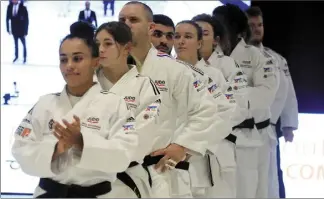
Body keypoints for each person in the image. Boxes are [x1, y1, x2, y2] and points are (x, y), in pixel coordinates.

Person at [11, 21, 139, 198]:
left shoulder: (115, 104)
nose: (69, 66)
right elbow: (20, 149)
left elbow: (124, 155)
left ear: (95, 62)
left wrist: (81, 142)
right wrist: (56, 148)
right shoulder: (45, 104)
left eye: (77, 58)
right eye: (64, 59)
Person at [119, 1, 228, 197]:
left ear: (150, 27)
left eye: (133, 20)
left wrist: (182, 146)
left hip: (158, 172)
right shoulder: (107, 69)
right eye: (122, 20)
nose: (126, 24)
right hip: (117, 174)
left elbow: (207, 110)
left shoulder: (174, 69)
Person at [213, 3, 279, 198]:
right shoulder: (211, 57)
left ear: (235, 28)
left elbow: (266, 93)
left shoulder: (258, 57)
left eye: (220, 23)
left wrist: (230, 96)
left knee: (253, 191)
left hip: (252, 136)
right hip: (218, 136)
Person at [191, 13, 257, 198]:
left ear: (215, 40)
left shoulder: (228, 66)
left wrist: (208, 127)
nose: (199, 38)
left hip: (220, 146)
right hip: (187, 150)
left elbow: (240, 106)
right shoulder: (177, 66)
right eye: (194, 33)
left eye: (204, 33)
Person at [95, 21, 162, 198]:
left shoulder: (143, 87)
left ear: (126, 48)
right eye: (97, 44)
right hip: (85, 180)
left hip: (125, 182)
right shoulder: (85, 84)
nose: (100, 49)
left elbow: (142, 136)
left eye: (107, 44)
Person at [173, 19, 237, 198]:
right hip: (168, 158)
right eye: (177, 36)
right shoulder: (164, 72)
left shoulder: (212, 76)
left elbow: (225, 113)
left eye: (188, 36)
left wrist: (191, 144)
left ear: (199, 43)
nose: (181, 41)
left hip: (200, 156)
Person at [246, 6, 299, 198]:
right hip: (240, 130)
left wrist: (289, 123)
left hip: (269, 128)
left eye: (260, 25)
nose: (257, 29)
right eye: (252, 25)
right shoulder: (233, 57)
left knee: (271, 179)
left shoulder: (277, 59)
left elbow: (288, 92)